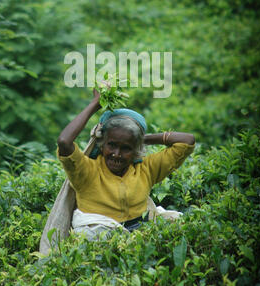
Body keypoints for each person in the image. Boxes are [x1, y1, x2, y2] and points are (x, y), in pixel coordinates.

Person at [56, 89, 195, 240]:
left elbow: (187, 141)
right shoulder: (86, 171)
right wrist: (95, 104)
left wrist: (142, 139)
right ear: (101, 145)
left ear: (136, 150)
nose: (117, 154)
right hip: (97, 237)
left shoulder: (146, 169)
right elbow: (64, 142)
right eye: (112, 145)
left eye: (126, 148)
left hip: (138, 233)